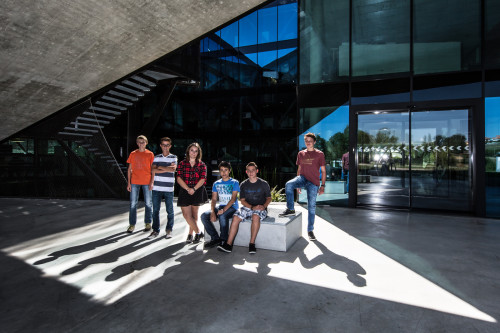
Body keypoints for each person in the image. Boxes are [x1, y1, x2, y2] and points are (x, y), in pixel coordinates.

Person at [279, 133, 326, 241]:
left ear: (314, 142)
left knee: (311, 207)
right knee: (289, 184)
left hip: (313, 182)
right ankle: (290, 209)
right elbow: (299, 169)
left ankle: (310, 230)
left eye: (310, 141)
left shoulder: (320, 154)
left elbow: (323, 171)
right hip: (303, 178)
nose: (308, 143)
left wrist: (322, 185)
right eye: (306, 141)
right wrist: (297, 183)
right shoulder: (301, 154)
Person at [218, 162, 271, 254]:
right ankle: (228, 245)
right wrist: (251, 207)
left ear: (257, 171)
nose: (251, 172)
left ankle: (252, 244)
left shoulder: (263, 184)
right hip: (248, 207)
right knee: (235, 217)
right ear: (246, 172)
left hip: (259, 208)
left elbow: (269, 198)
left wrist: (263, 206)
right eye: (249, 171)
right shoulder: (243, 184)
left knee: (255, 217)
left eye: (253, 170)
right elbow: (242, 200)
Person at [201, 161, 239, 248]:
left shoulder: (234, 182)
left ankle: (223, 240)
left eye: (226, 170)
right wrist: (212, 212)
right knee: (204, 216)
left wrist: (223, 210)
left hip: (232, 207)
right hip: (221, 206)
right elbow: (214, 199)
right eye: (221, 170)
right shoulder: (216, 183)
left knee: (222, 216)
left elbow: (233, 199)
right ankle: (215, 238)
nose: (224, 172)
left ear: (229, 171)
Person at [176, 142, 207, 244]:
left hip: (197, 191)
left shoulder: (202, 165)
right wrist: (188, 189)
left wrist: (193, 189)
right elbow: (179, 178)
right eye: (192, 150)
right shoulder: (182, 164)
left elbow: (202, 179)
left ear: (198, 153)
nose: (193, 153)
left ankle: (190, 234)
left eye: (196, 151)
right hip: (185, 191)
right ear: (188, 151)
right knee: (186, 215)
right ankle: (198, 232)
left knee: (194, 214)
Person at [148, 137, 177, 239]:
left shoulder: (174, 157)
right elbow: (153, 171)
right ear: (160, 145)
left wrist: (159, 168)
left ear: (170, 146)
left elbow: (173, 170)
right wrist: (167, 169)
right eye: (163, 145)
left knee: (170, 210)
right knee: (155, 210)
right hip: (157, 188)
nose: (165, 147)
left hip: (169, 188)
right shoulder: (156, 157)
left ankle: (169, 230)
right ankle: (155, 230)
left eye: (167, 145)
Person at [126, 135, 155, 233]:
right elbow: (129, 169)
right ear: (137, 143)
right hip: (134, 181)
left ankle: (148, 223)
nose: (141, 144)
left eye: (143, 142)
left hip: (147, 182)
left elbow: (153, 170)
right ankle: (132, 224)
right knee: (133, 204)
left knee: (148, 203)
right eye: (139, 142)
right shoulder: (133, 154)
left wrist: (152, 182)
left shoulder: (150, 154)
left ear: (146, 143)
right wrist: (129, 183)